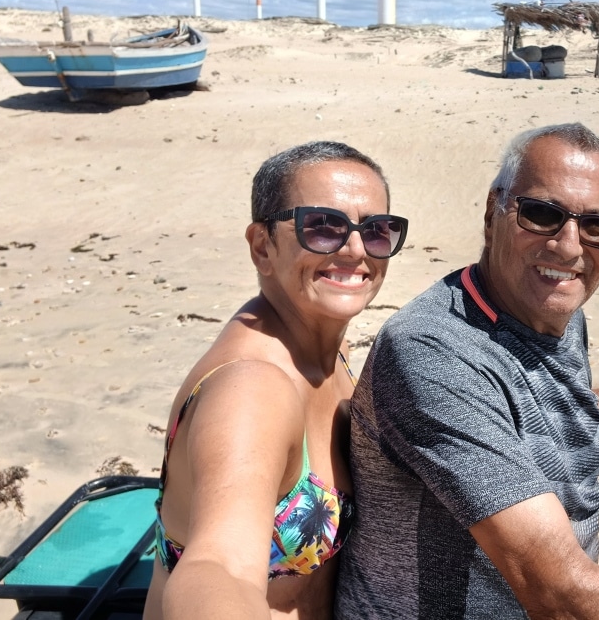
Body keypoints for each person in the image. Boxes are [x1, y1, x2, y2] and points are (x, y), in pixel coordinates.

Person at [335, 123, 599, 620]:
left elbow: (550, 415)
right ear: (492, 214)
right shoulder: (431, 351)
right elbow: (557, 592)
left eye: (597, 227)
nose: (568, 247)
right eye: (542, 214)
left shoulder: (549, 310)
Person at [144, 141, 409, 620]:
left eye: (376, 231)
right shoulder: (252, 390)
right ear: (262, 246)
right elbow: (219, 567)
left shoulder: (330, 352)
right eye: (323, 226)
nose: (355, 250)